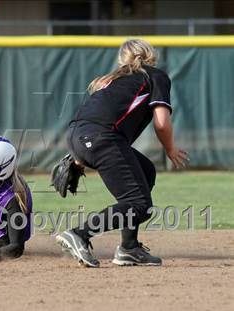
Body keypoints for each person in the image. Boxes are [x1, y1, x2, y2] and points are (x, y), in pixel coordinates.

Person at [55, 39, 189, 268]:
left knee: (145, 171)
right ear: (151, 56)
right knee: (139, 205)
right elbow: (162, 123)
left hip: (77, 135)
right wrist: (170, 149)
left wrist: (78, 158)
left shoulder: (110, 80)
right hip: (102, 138)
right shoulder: (154, 75)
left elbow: (93, 115)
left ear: (123, 59)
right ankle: (79, 234)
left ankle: (129, 248)